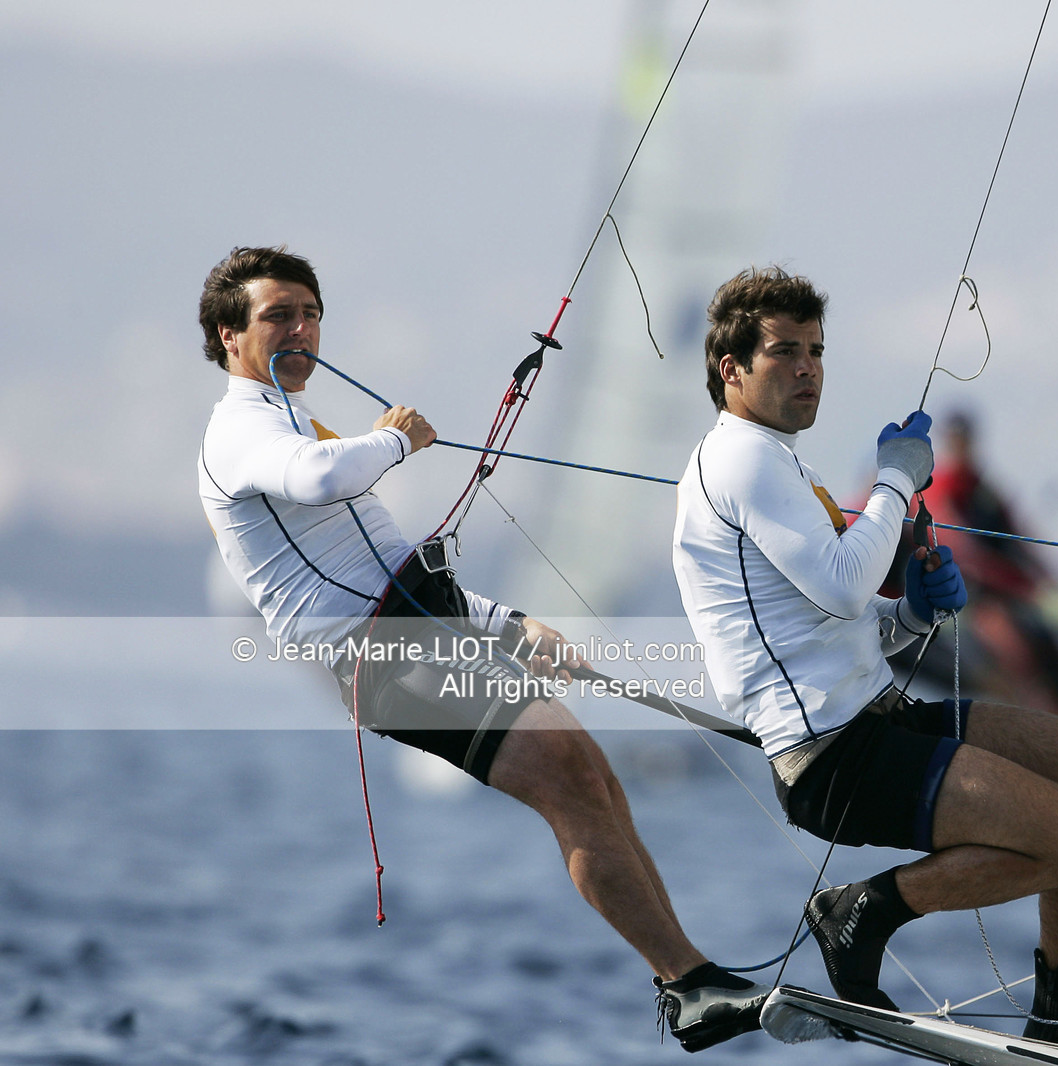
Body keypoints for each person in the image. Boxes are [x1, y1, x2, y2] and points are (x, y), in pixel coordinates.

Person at [195, 246, 766, 1053]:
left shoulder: (299, 424)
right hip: (382, 660)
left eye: (310, 313)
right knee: (569, 782)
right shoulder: (240, 430)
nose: (300, 329)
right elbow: (320, 479)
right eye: (277, 315)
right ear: (229, 335)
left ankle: (692, 977)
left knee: (593, 778)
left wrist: (511, 624)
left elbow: (392, 564)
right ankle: (688, 982)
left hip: (424, 632)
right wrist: (395, 439)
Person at [671, 266, 1058, 1061]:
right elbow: (844, 584)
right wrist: (895, 476)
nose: (808, 368)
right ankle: (861, 913)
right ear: (732, 369)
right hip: (832, 758)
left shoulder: (782, 465)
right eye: (785, 352)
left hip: (881, 720)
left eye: (817, 351)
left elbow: (843, 621)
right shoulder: (740, 462)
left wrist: (914, 615)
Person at [884, 410, 1058, 723]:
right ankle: (1038, 721)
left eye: (964, 439)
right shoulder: (937, 486)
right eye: (955, 439)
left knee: (1052, 654)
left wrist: (1052, 583)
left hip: (1007, 593)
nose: (961, 446)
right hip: (969, 597)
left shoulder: (983, 488)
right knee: (1012, 651)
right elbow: (958, 545)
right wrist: (1018, 584)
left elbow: (1020, 538)